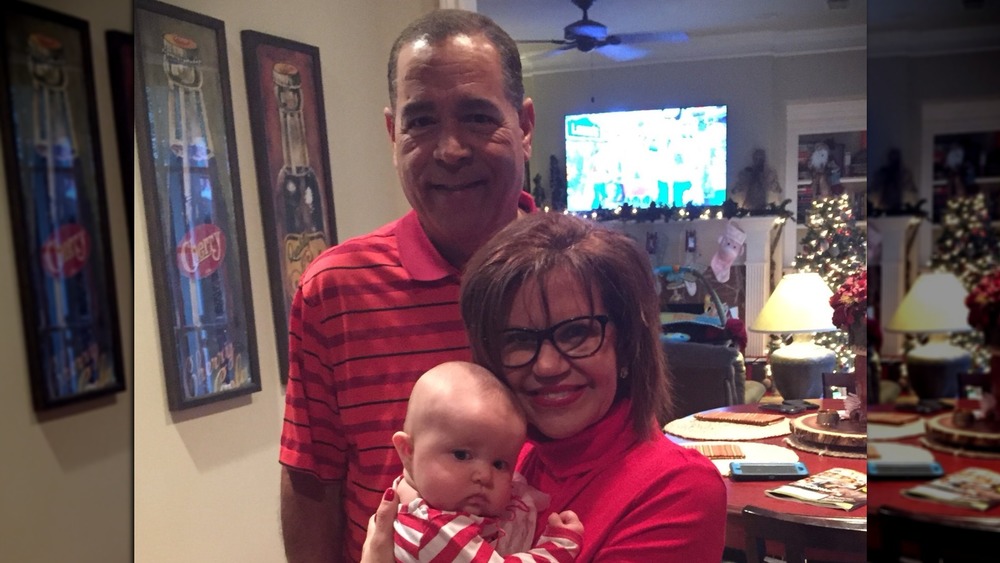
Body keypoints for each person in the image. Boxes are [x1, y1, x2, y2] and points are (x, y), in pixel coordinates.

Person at [279, 9, 536, 562]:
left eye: (476, 117)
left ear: (526, 126)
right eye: (421, 122)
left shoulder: (583, 283)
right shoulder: (334, 290)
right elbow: (312, 479)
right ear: (393, 133)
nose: (449, 149)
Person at [365, 212, 727, 562]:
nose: (547, 365)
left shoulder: (677, 489)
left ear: (627, 343)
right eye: (519, 340)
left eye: (577, 333)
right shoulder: (505, 457)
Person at [391, 360, 583, 561]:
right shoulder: (429, 529)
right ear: (408, 451)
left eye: (499, 464)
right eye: (461, 455)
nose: (484, 476)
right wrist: (558, 547)